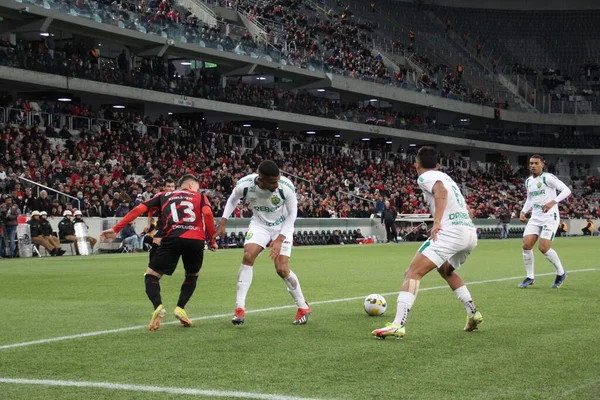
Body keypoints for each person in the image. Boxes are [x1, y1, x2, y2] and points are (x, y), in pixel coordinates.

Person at [372, 146, 482, 339]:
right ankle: (473, 313)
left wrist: (437, 222)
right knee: (445, 270)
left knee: (412, 273)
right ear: (438, 164)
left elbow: (439, 191)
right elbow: (467, 208)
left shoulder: (426, 177)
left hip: (451, 232)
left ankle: (398, 325)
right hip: (469, 232)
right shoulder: (450, 179)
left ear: (416, 164)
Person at [100, 175, 216, 331]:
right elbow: (207, 214)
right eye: (196, 187)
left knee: (151, 275)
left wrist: (115, 229)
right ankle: (180, 308)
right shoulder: (200, 197)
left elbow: (138, 209)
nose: (197, 190)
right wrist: (212, 239)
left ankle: (158, 306)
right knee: (192, 275)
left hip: (172, 237)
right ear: (190, 186)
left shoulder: (163, 195)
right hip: (195, 239)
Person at [212, 160, 311, 326]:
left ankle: (303, 307)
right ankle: (239, 308)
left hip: (283, 226)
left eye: (277, 180)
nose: (276, 185)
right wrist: (223, 222)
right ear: (260, 180)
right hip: (260, 224)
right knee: (248, 255)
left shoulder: (286, 187)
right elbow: (232, 198)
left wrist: (279, 239)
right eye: (272, 182)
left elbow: (292, 214)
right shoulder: (245, 185)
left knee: (281, 268)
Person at [518, 155, 571, 289]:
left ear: (542, 164)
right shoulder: (529, 181)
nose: (533, 166)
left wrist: (552, 202)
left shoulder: (548, 178)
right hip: (535, 217)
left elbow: (567, 190)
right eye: (531, 163)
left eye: (536, 163)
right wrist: (523, 211)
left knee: (543, 248)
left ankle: (561, 272)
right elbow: (530, 199)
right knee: (526, 245)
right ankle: (530, 277)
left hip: (550, 216)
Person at [145, 178, 176, 263]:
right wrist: (148, 224)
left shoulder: (177, 196)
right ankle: (151, 266)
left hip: (174, 223)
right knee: (156, 242)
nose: (171, 188)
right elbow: (151, 209)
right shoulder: (159, 196)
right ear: (163, 187)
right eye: (168, 186)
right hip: (162, 222)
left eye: (173, 186)